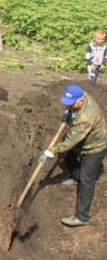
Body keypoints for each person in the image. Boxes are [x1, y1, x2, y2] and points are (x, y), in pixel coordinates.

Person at [39, 85, 107, 227]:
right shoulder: (80, 94)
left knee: (87, 180)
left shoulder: (86, 117)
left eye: (71, 104)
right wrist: (68, 114)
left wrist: (51, 151)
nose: (68, 106)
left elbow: (70, 141)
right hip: (83, 140)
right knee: (69, 157)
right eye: (67, 103)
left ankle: (82, 217)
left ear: (81, 101)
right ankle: (74, 177)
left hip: (95, 147)